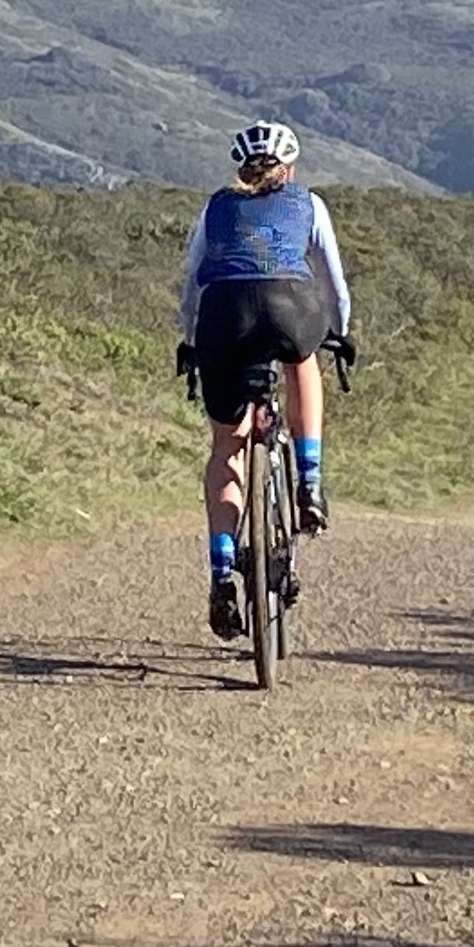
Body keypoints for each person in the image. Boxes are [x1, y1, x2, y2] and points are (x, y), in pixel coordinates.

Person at [175, 120, 353, 642]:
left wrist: (190, 339)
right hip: (289, 307)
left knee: (226, 445)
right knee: (304, 359)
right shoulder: (309, 204)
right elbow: (334, 282)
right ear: (289, 168)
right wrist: (340, 334)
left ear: (240, 168)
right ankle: (311, 481)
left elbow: (191, 284)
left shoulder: (214, 208)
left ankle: (220, 572)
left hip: (222, 317)